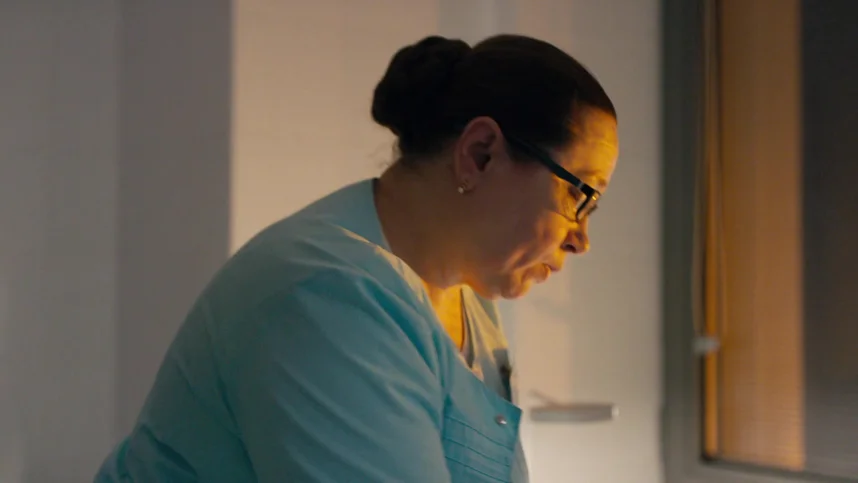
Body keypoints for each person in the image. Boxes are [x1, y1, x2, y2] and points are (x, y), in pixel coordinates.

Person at [95, 33, 618, 483]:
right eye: (580, 195)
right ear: (479, 153)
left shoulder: (466, 300)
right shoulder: (326, 294)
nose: (581, 240)